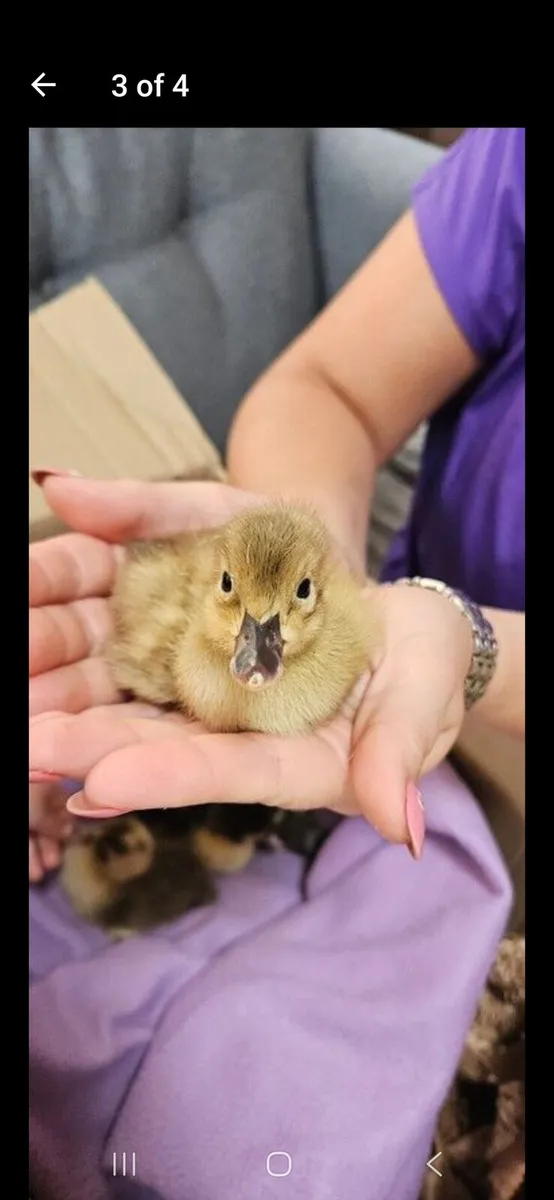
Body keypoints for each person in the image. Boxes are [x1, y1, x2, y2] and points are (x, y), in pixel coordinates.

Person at [29, 127, 525, 882]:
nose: (254, 651)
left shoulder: (338, 644)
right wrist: (320, 554)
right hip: (411, 604)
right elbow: (329, 391)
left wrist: (473, 650)